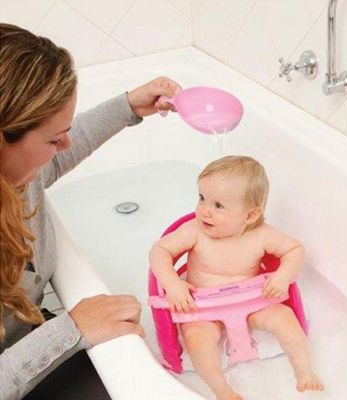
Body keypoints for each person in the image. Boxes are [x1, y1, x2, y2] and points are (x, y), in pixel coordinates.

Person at [0, 23, 181, 400]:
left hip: (26, 340)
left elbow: (60, 154)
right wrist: (70, 330)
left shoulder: (17, 177)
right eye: (54, 139)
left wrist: (127, 107)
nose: (65, 144)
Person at [149, 155, 324, 400]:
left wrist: (283, 276)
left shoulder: (261, 235)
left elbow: (295, 250)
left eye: (218, 206)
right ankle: (222, 391)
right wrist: (173, 284)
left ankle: (304, 372)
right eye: (201, 198)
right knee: (197, 339)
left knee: (284, 318)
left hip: (253, 301)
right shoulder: (194, 231)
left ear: (250, 216)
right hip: (201, 307)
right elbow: (159, 251)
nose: (204, 210)